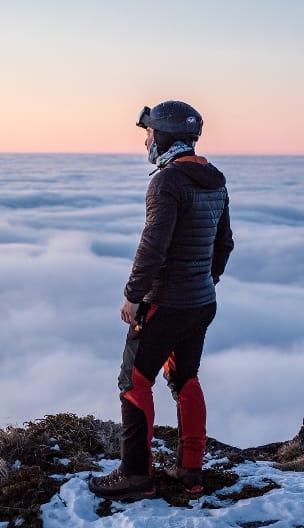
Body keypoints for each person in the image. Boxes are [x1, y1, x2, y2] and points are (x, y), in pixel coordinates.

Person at [89, 100, 234, 500]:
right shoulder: (215, 180)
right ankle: (191, 472)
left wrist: (133, 296)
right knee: (185, 380)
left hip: (165, 304)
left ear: (166, 136)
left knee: (133, 381)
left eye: (150, 133)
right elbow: (225, 244)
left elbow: (152, 246)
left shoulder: (166, 182)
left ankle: (135, 476)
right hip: (201, 304)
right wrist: (205, 282)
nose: (147, 141)